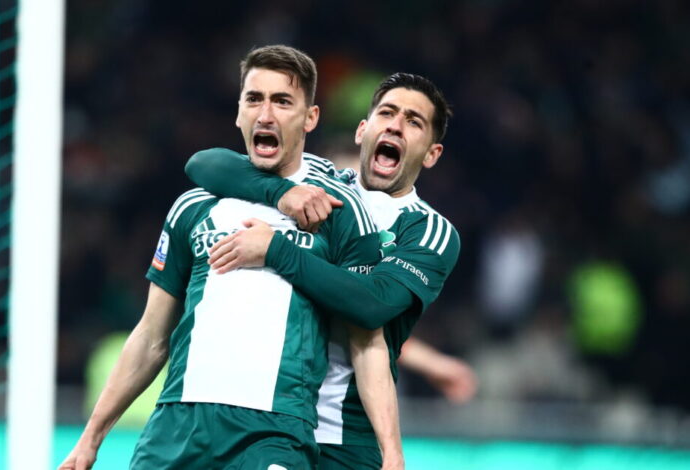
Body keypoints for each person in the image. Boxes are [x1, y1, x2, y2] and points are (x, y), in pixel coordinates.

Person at [58, 45, 395, 470]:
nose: (265, 114)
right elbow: (151, 336)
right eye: (254, 99)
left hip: (273, 430)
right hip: (177, 426)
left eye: (282, 101)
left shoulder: (337, 208)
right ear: (239, 112)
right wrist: (90, 439)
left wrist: (391, 451)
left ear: (310, 118)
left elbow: (368, 341)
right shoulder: (195, 205)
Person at [185, 72, 465, 470]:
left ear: (432, 154)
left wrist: (275, 250)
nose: (395, 126)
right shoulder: (316, 183)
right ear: (362, 130)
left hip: (342, 434)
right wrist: (283, 193)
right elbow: (204, 164)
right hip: (265, 414)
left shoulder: (427, 230)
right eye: (387, 113)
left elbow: (372, 305)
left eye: (413, 121)